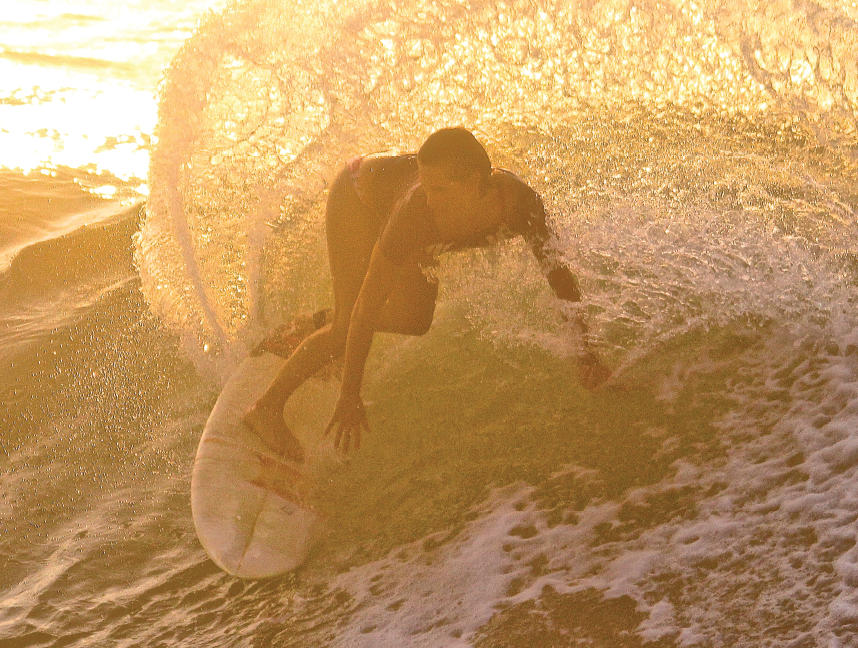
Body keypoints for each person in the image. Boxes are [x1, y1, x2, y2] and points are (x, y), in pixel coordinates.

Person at [242, 127, 610, 462]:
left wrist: (586, 354)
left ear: (475, 181)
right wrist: (350, 394)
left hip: (396, 202)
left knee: (416, 320)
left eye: (439, 189)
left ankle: (314, 323)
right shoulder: (416, 215)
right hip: (357, 195)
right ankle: (265, 409)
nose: (429, 198)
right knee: (348, 325)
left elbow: (559, 277)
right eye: (425, 185)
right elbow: (368, 307)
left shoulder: (520, 205)